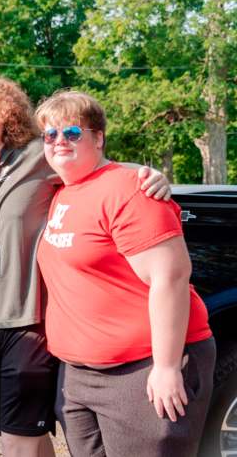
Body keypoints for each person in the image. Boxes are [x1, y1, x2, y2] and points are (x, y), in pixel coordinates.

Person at [0, 75, 170, 457]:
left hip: (29, 325)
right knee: (31, 438)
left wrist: (149, 175)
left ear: (8, 117)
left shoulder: (35, 156)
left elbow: (95, 162)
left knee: (16, 442)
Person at [34, 90, 214, 456]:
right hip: (80, 375)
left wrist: (166, 367)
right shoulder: (62, 192)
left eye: (71, 132)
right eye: (50, 135)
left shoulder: (131, 189)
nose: (59, 142)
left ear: (98, 138)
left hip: (141, 369)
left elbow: (171, 278)